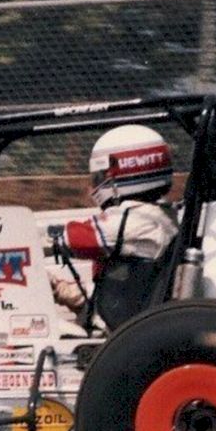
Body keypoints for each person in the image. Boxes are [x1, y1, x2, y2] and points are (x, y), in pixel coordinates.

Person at [47, 124, 179, 314]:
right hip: (127, 312)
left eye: (100, 176)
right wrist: (61, 289)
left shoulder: (134, 220)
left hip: (126, 331)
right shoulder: (162, 215)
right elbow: (122, 293)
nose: (95, 184)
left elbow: (73, 238)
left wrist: (19, 237)